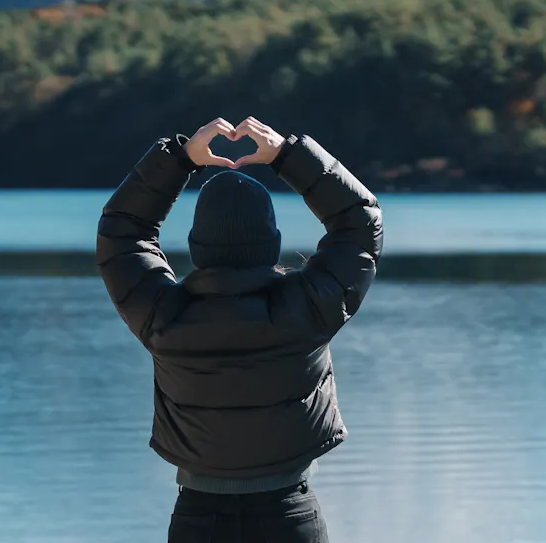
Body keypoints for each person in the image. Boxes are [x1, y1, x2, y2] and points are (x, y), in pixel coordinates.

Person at [97, 116, 384, 542]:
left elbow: (122, 234)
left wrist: (179, 159)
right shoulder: (308, 310)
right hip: (290, 517)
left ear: (198, 245)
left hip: (198, 519)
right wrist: (289, 155)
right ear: (270, 241)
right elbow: (360, 222)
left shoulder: (162, 316)